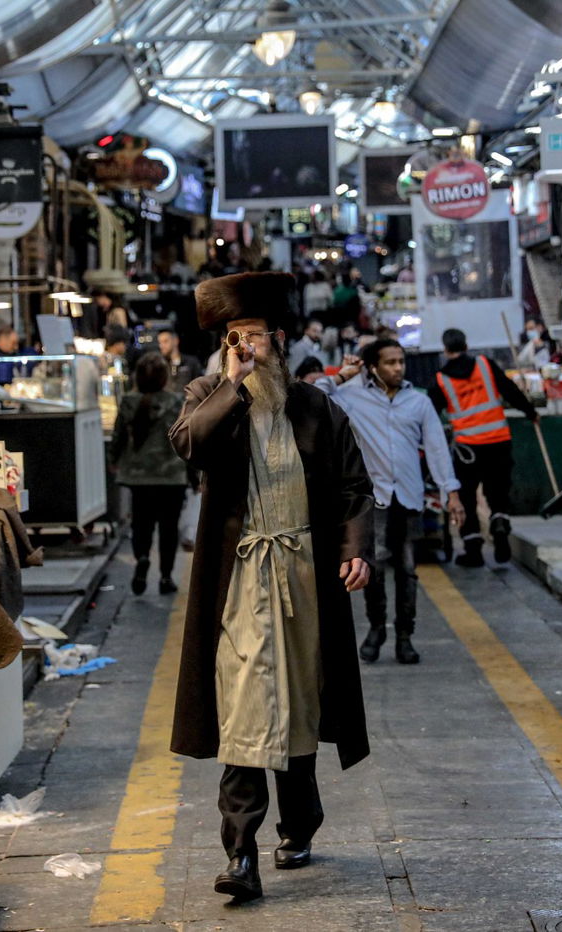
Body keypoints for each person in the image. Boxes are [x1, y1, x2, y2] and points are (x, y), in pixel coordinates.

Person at [168, 271, 374, 903]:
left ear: (279, 341)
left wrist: (356, 550)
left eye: (259, 337)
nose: (252, 348)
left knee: (302, 700)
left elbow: (353, 486)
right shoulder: (208, 394)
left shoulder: (315, 405)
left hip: (307, 575)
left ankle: (300, 824)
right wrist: (229, 384)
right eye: (239, 338)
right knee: (249, 705)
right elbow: (189, 444)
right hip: (239, 579)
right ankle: (240, 853)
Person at [319, 339, 464, 665]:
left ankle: (404, 636)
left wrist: (450, 493)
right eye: (390, 362)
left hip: (409, 498)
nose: (398, 368)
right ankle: (376, 629)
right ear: (373, 367)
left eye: (401, 361)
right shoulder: (353, 399)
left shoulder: (418, 402)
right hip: (375, 501)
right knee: (376, 567)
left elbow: (438, 449)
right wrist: (344, 375)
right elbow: (315, 392)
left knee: (408, 570)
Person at [427, 328, 539, 568]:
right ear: (466, 346)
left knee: (466, 497)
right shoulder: (485, 365)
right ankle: (499, 524)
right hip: (498, 441)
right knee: (497, 492)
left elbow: (430, 414)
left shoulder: (440, 379)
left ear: (446, 350)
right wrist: (530, 411)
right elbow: (510, 390)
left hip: (467, 448)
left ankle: (473, 550)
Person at [110, 353, 188, 596]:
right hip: (171, 476)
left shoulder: (128, 401)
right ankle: (165, 577)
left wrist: (113, 460)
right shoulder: (177, 402)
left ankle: (142, 557)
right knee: (169, 528)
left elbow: (118, 437)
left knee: (141, 523)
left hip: (138, 476)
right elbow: (186, 440)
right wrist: (195, 475)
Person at [156, 326, 204, 393]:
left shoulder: (191, 363)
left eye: (165, 341)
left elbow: (200, 386)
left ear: (175, 341)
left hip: (188, 402)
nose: (161, 346)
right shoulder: (160, 365)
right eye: (160, 343)